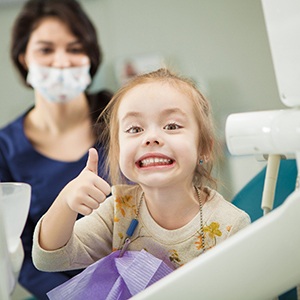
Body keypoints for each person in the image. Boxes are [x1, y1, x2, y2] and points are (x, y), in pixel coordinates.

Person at [32, 68, 250, 292]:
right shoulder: (119, 210)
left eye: (172, 126)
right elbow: (49, 259)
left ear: (203, 148)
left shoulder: (231, 226)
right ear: (118, 152)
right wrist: (66, 201)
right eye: (135, 129)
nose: (151, 138)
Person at [0, 0, 112, 299]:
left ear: (90, 55)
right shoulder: (5, 150)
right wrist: (81, 295)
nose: (61, 62)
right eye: (46, 50)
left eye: (75, 49)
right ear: (24, 57)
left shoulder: (123, 120)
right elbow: (16, 251)